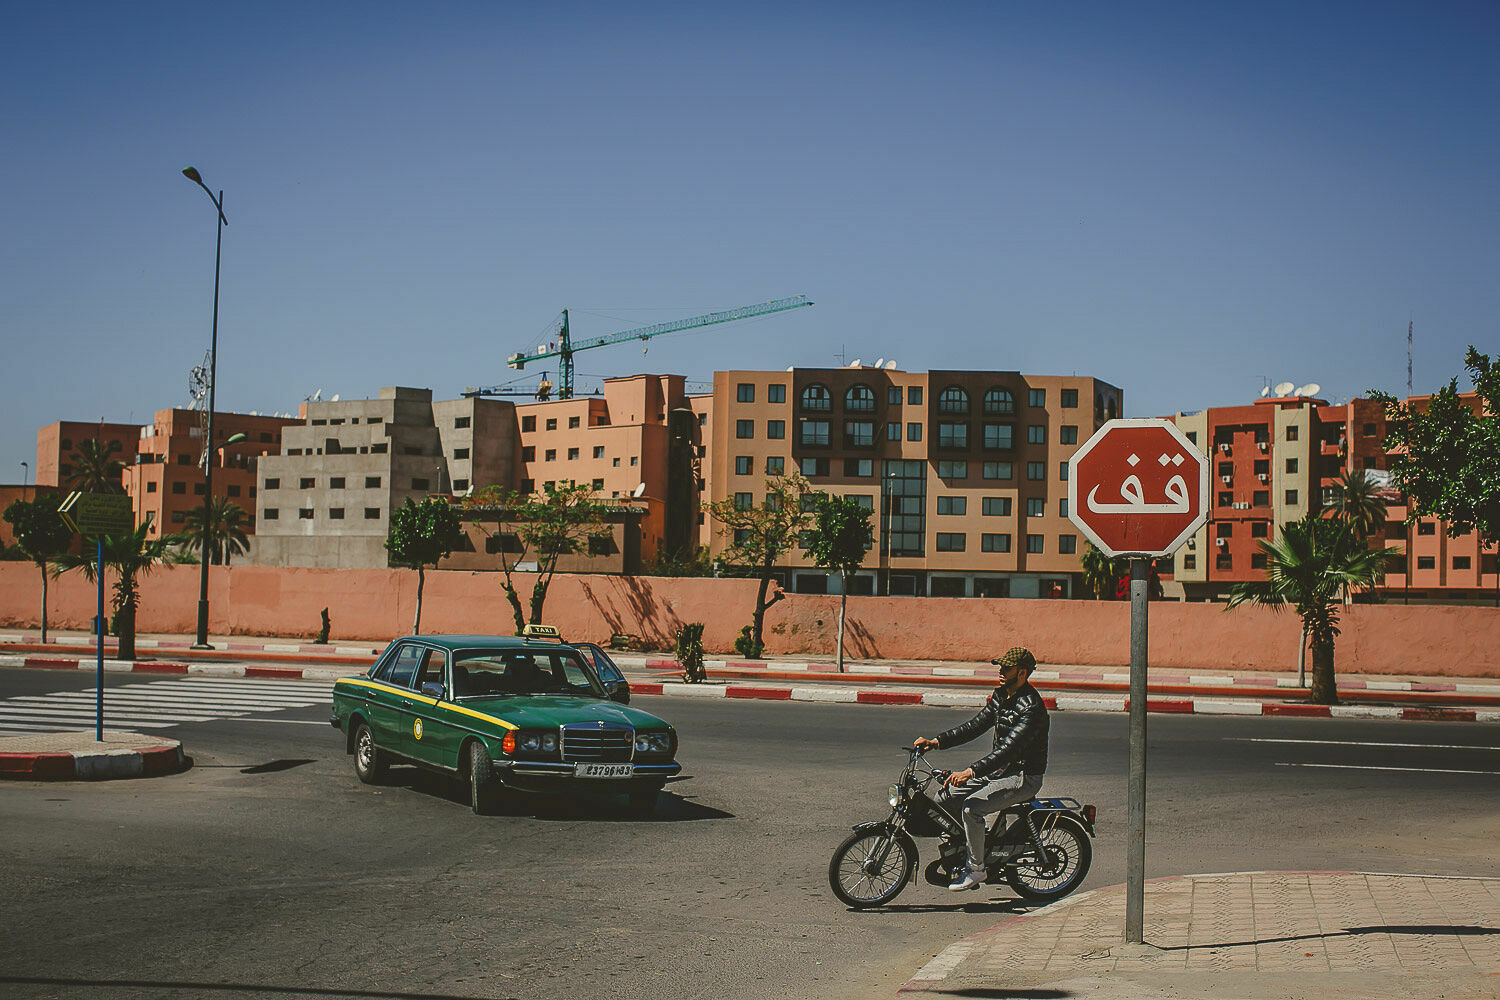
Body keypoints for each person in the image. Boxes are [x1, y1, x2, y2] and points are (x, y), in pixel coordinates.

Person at [913, 646, 1049, 892]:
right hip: (998, 772)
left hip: (1022, 776)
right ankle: (977, 843)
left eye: (1007, 668)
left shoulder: (1031, 708)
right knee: (944, 798)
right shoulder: (1002, 696)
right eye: (1001, 667)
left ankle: (976, 869)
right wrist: (936, 742)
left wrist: (970, 772)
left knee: (971, 809)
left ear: (1022, 673)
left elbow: (1008, 750)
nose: (1001, 671)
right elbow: (975, 726)